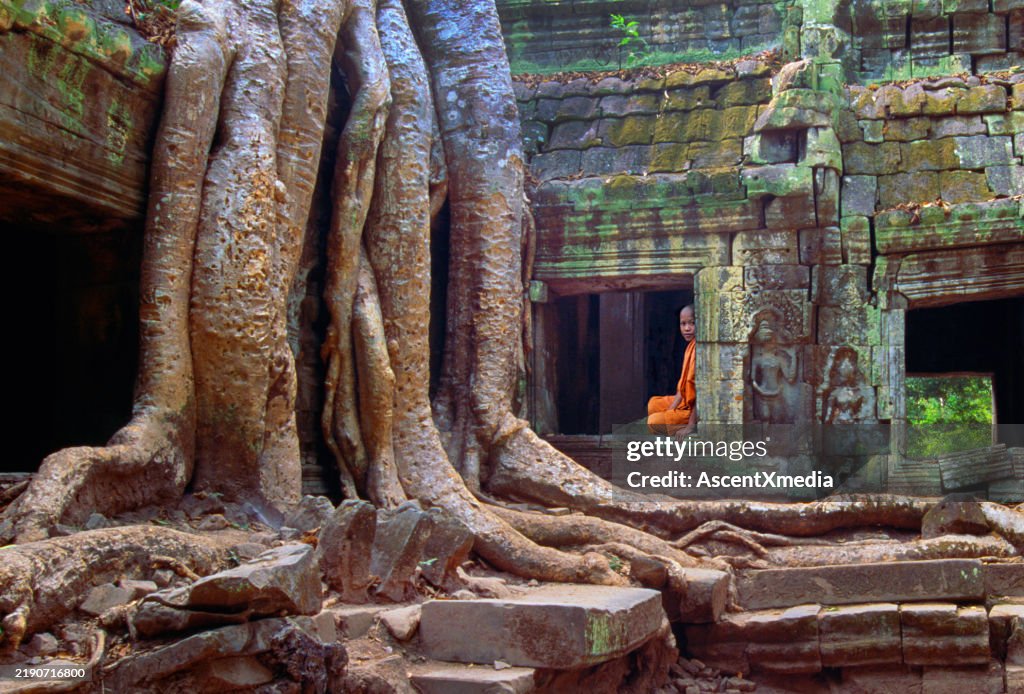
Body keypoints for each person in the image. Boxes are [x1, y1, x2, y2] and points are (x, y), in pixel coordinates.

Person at [647, 305, 697, 438]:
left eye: (692, 323)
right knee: (653, 404)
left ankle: (690, 422)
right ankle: (675, 417)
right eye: (683, 324)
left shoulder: (701, 349)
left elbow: (703, 395)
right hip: (684, 402)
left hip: (695, 410)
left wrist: (690, 426)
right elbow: (682, 387)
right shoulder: (690, 347)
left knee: (653, 422)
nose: (687, 328)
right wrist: (671, 410)